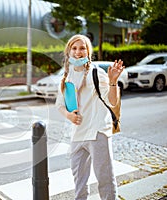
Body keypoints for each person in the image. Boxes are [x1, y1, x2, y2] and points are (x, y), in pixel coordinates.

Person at [55, 34, 125, 200]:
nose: (78, 52)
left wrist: (113, 81)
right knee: (79, 179)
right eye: (74, 48)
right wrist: (69, 116)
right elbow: (59, 104)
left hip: (97, 131)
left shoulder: (96, 73)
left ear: (88, 51)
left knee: (104, 178)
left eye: (82, 48)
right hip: (78, 134)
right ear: (69, 52)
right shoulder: (66, 76)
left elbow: (112, 101)